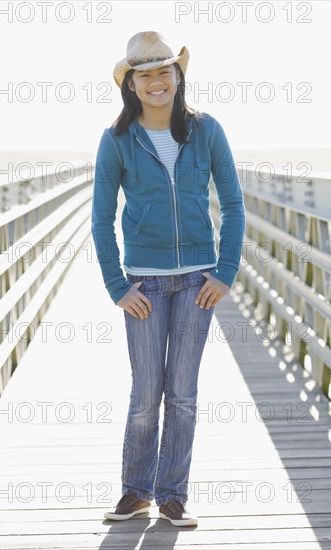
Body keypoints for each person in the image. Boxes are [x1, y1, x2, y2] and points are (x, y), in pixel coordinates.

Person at [91, 31, 246, 527]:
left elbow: (235, 205)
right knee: (145, 393)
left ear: (179, 78)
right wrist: (118, 286)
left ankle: (173, 495)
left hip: (198, 280)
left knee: (182, 392)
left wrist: (225, 272)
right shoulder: (116, 139)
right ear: (131, 85)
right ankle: (135, 492)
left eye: (164, 71)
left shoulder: (207, 130)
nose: (156, 82)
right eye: (145, 75)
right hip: (146, 285)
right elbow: (100, 218)